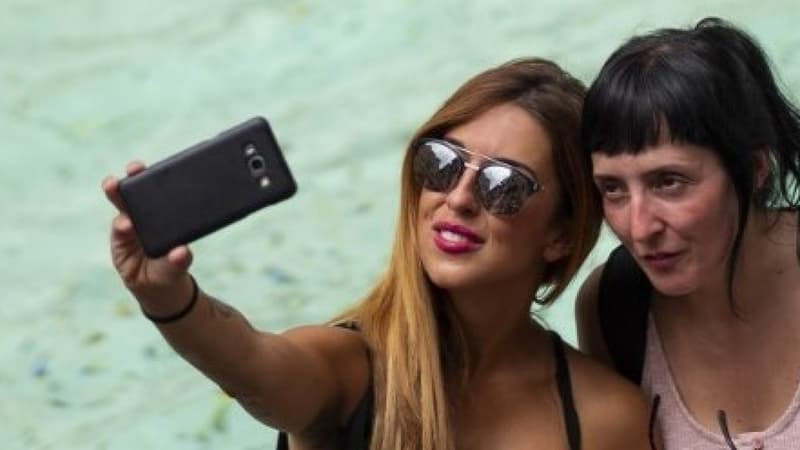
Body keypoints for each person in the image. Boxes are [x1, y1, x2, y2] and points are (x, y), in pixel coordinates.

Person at [103, 58, 651, 450]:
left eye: (504, 186)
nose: (457, 198)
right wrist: (169, 298)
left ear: (560, 233)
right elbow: (253, 366)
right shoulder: (350, 372)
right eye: (440, 163)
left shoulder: (607, 420)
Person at [576, 17, 800, 450]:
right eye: (612, 188)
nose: (640, 229)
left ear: (754, 169)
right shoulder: (613, 306)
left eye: (668, 181)